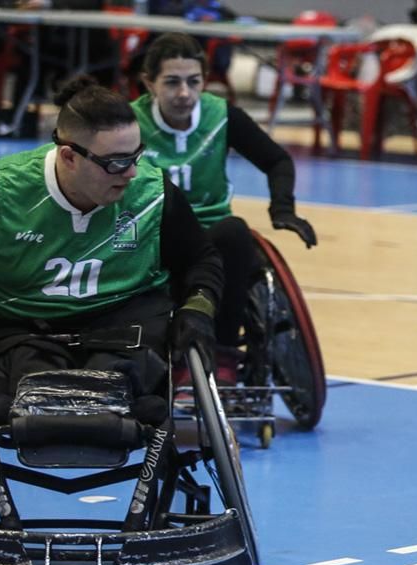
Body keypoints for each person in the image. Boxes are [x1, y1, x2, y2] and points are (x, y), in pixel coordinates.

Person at [0, 75, 223, 424]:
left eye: (136, 155)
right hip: (26, 324)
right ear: (69, 156)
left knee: (119, 374)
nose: (131, 172)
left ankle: (105, 405)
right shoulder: (5, 192)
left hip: (123, 321)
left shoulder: (151, 191)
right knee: (31, 376)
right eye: (116, 162)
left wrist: (198, 309)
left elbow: (200, 258)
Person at [132, 33, 316, 383]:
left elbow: (277, 160)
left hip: (210, 237)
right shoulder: (129, 123)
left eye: (193, 81)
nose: (184, 93)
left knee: (235, 232)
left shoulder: (220, 116)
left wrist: (283, 210)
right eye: (172, 82)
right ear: (149, 83)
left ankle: (224, 354)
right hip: (152, 238)